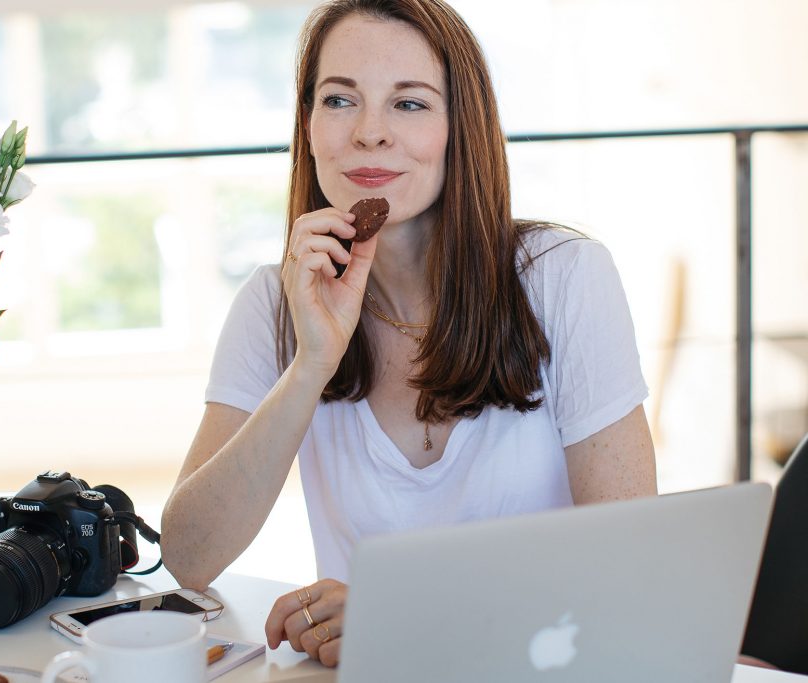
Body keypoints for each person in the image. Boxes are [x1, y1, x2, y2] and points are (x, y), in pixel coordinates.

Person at [160, 0, 657, 668]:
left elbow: (629, 564)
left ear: (461, 127)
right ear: (307, 126)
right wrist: (311, 362)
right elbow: (190, 556)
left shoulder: (566, 279)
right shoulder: (274, 304)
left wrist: (397, 608)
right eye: (340, 100)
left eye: (410, 104)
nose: (369, 133)